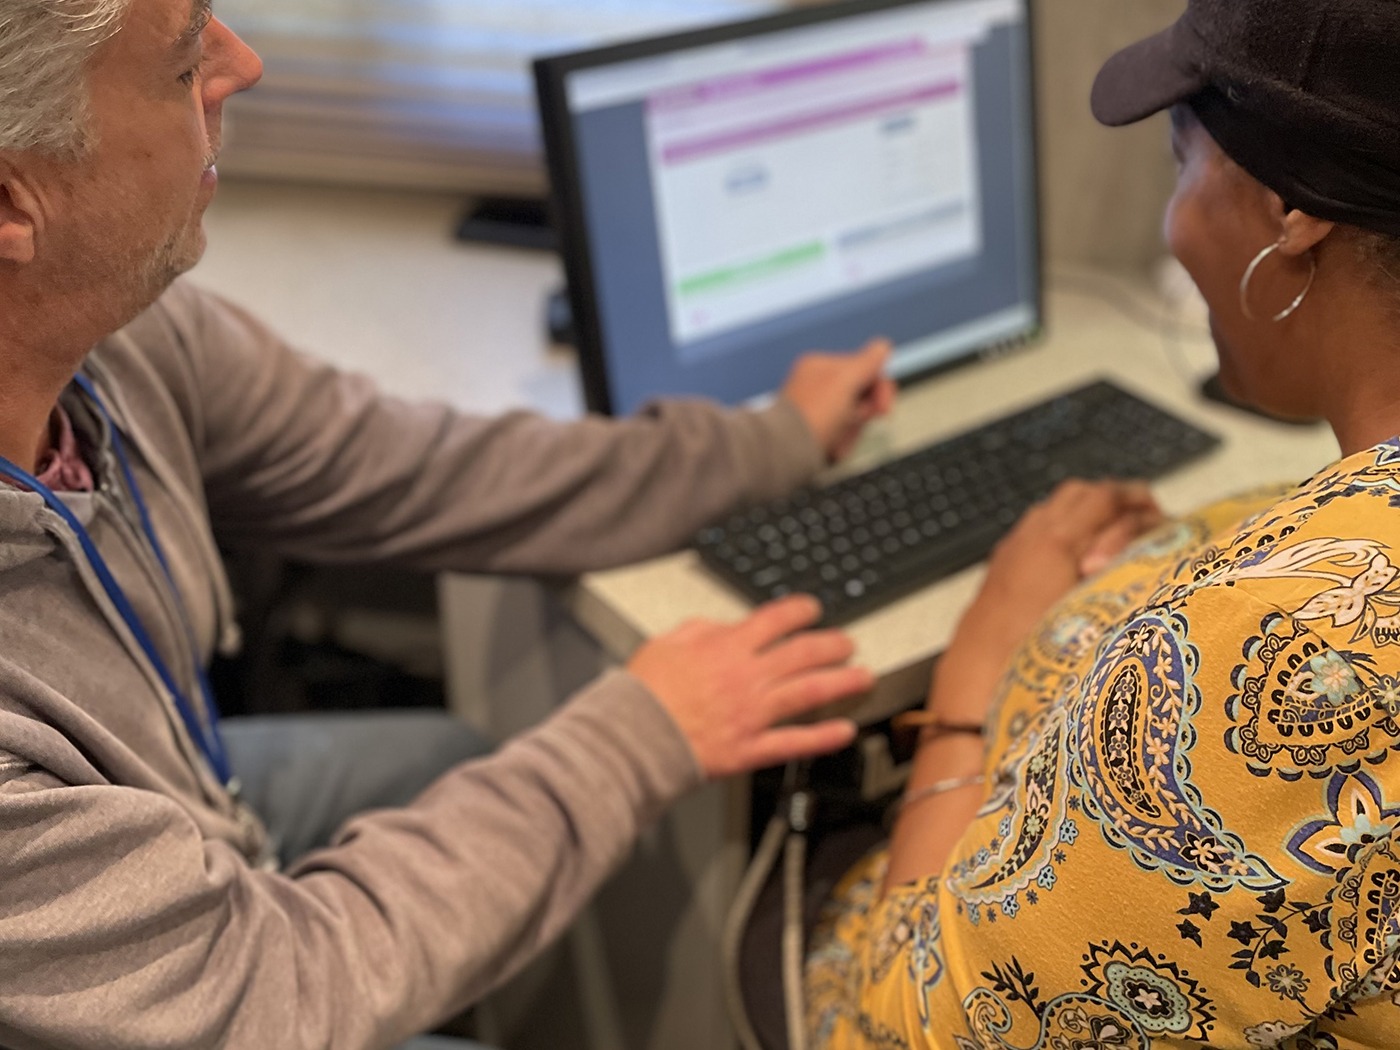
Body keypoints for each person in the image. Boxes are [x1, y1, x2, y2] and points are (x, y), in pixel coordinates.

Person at [0, 0, 902, 1047]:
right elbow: (275, 992)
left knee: (450, 752)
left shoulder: (113, 344)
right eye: (177, 62)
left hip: (183, 809)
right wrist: (637, 735)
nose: (241, 65)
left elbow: (425, 471)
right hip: (212, 981)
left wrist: (771, 444)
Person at [804, 1, 1400, 1048]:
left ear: (1287, 212)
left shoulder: (1286, 654)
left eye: (1181, 163)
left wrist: (970, 679)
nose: (1174, 223)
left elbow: (907, 1023)